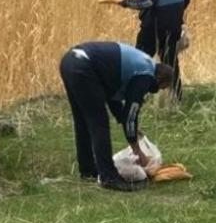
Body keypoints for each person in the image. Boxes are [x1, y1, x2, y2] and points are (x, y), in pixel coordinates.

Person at [58, 41, 175, 192]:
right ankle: (109, 177)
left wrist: (130, 126)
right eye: (160, 88)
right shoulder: (146, 75)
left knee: (83, 121)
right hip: (84, 67)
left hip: (70, 62)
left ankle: (88, 170)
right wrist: (137, 150)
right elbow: (131, 112)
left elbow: (113, 100)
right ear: (160, 79)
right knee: (99, 122)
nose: (156, 91)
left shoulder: (141, 64)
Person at [98, 0, 190, 98]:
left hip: (153, 29)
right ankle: (176, 97)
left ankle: (132, 95)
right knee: (170, 63)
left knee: (139, 61)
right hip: (173, 27)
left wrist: (123, 1)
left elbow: (147, 2)